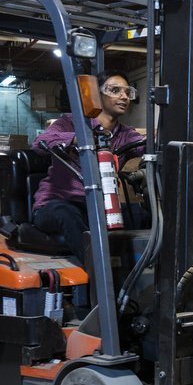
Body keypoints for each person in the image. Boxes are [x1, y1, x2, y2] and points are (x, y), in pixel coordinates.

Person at [31, 71, 145, 261]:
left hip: (96, 208)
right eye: (115, 90)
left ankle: (135, 273)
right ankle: (102, 282)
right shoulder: (70, 122)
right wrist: (78, 139)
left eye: (127, 92)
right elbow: (40, 143)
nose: (124, 97)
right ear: (97, 96)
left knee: (139, 214)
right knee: (67, 214)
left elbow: (144, 145)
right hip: (55, 204)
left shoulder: (125, 134)